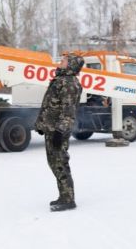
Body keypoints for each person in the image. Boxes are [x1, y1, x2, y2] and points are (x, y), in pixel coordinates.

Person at [35, 54, 85, 212]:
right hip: (52, 127)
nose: (60, 62)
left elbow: (68, 112)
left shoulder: (69, 84)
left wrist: (59, 131)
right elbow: (50, 105)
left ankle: (68, 199)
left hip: (58, 129)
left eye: (64, 61)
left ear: (70, 65)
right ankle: (63, 195)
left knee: (60, 163)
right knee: (54, 162)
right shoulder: (61, 79)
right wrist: (42, 124)